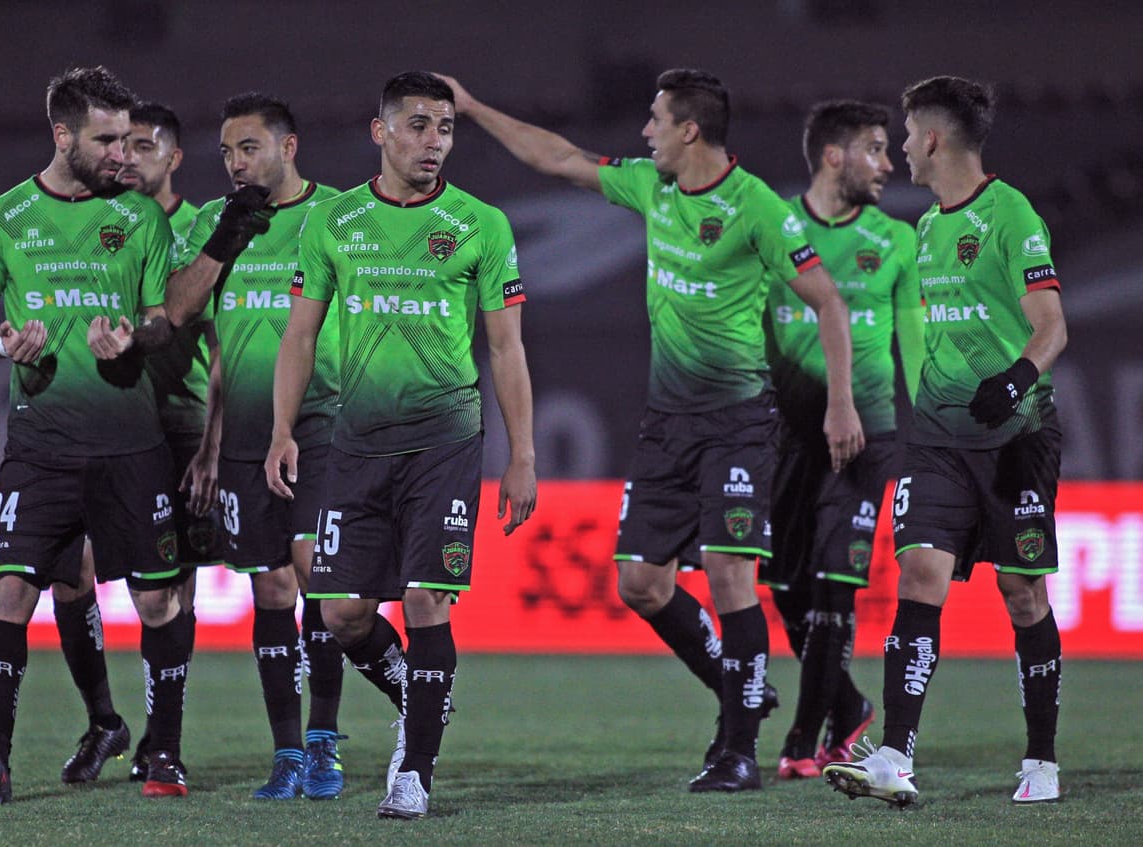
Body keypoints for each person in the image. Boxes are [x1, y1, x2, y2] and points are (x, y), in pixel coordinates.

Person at [439, 69, 862, 792]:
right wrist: (474, 107)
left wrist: (841, 404)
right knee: (640, 582)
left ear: (689, 129)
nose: (645, 132)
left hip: (737, 421)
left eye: (656, 120)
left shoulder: (757, 206)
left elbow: (828, 303)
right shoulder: (651, 186)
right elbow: (560, 158)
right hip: (668, 423)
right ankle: (755, 689)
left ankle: (736, 749)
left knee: (731, 575)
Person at [264, 71, 537, 819]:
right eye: (418, 126)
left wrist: (522, 454)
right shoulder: (334, 222)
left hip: (445, 441)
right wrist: (284, 429)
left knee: (425, 599)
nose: (434, 141)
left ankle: (412, 772)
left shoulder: (482, 223)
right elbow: (300, 332)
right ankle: (422, 694)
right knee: (341, 614)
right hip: (353, 443)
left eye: (445, 129)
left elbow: (506, 349)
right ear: (380, 131)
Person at [0, 66, 195, 803]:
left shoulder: (142, 219)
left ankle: (167, 753)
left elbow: (160, 318)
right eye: (107, 138)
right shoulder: (2, 216)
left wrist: (134, 337)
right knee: (13, 593)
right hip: (41, 445)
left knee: (157, 603)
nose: (124, 152)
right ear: (63, 135)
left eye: (128, 137)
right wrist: (2, 345)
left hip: (131, 443)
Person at [824, 76, 1067, 807]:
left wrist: (1018, 377)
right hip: (936, 440)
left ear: (932, 138)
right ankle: (895, 754)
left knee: (1022, 594)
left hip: (1015, 436)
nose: (899, 147)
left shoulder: (1009, 214)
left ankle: (1042, 761)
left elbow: (1052, 324)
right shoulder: (927, 226)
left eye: (904, 134)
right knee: (920, 577)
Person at [165, 92, 348, 800]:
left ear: (288, 147)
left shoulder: (337, 216)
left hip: (321, 425)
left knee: (322, 587)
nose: (237, 163)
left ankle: (327, 742)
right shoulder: (217, 221)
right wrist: (222, 244)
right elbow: (181, 313)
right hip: (242, 435)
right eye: (228, 153)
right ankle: (288, 752)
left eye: (249, 148)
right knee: (269, 587)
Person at [51, 101, 224, 786]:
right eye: (121, 146)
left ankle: (161, 737)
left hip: (176, 431)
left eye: (144, 147)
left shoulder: (200, 234)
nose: (129, 159)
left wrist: (212, 447)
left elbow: (224, 347)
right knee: (71, 571)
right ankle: (105, 719)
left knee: (165, 595)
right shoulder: (98, 220)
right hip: (97, 426)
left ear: (174, 158)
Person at [759, 101, 924, 780]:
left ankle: (806, 737)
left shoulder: (897, 240)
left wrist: (935, 419)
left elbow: (912, 341)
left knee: (836, 580)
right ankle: (849, 700)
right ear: (834, 155)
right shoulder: (774, 228)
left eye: (890, 150)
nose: (889, 165)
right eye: (876, 150)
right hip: (789, 433)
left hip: (868, 431)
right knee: (784, 584)